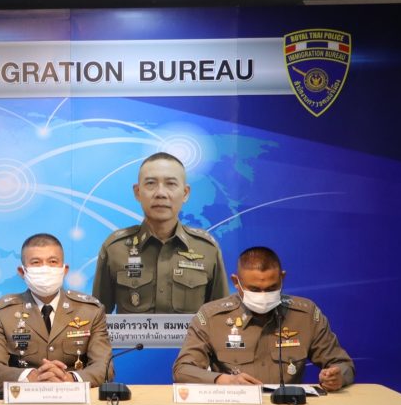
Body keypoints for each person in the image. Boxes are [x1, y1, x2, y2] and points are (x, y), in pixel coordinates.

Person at [172, 246, 354, 390]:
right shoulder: (211, 317)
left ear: (282, 278)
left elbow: (342, 363)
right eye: (254, 289)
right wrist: (225, 380)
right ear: (236, 282)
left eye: (271, 288)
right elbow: (182, 370)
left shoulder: (305, 315)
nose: (263, 295)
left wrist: (337, 376)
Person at [92, 152, 227, 313]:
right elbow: (97, 319)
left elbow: (221, 318)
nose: (161, 193)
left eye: (171, 184)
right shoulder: (115, 249)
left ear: (185, 193)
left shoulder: (207, 249)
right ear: (137, 192)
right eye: (151, 183)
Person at [0, 233, 113, 386]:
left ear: (64, 270)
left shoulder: (90, 311)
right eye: (36, 262)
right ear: (22, 272)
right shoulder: (4, 313)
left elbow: (104, 367)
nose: (45, 268)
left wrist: (69, 378)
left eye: (53, 262)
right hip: (23, 398)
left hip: (73, 397)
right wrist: (30, 376)